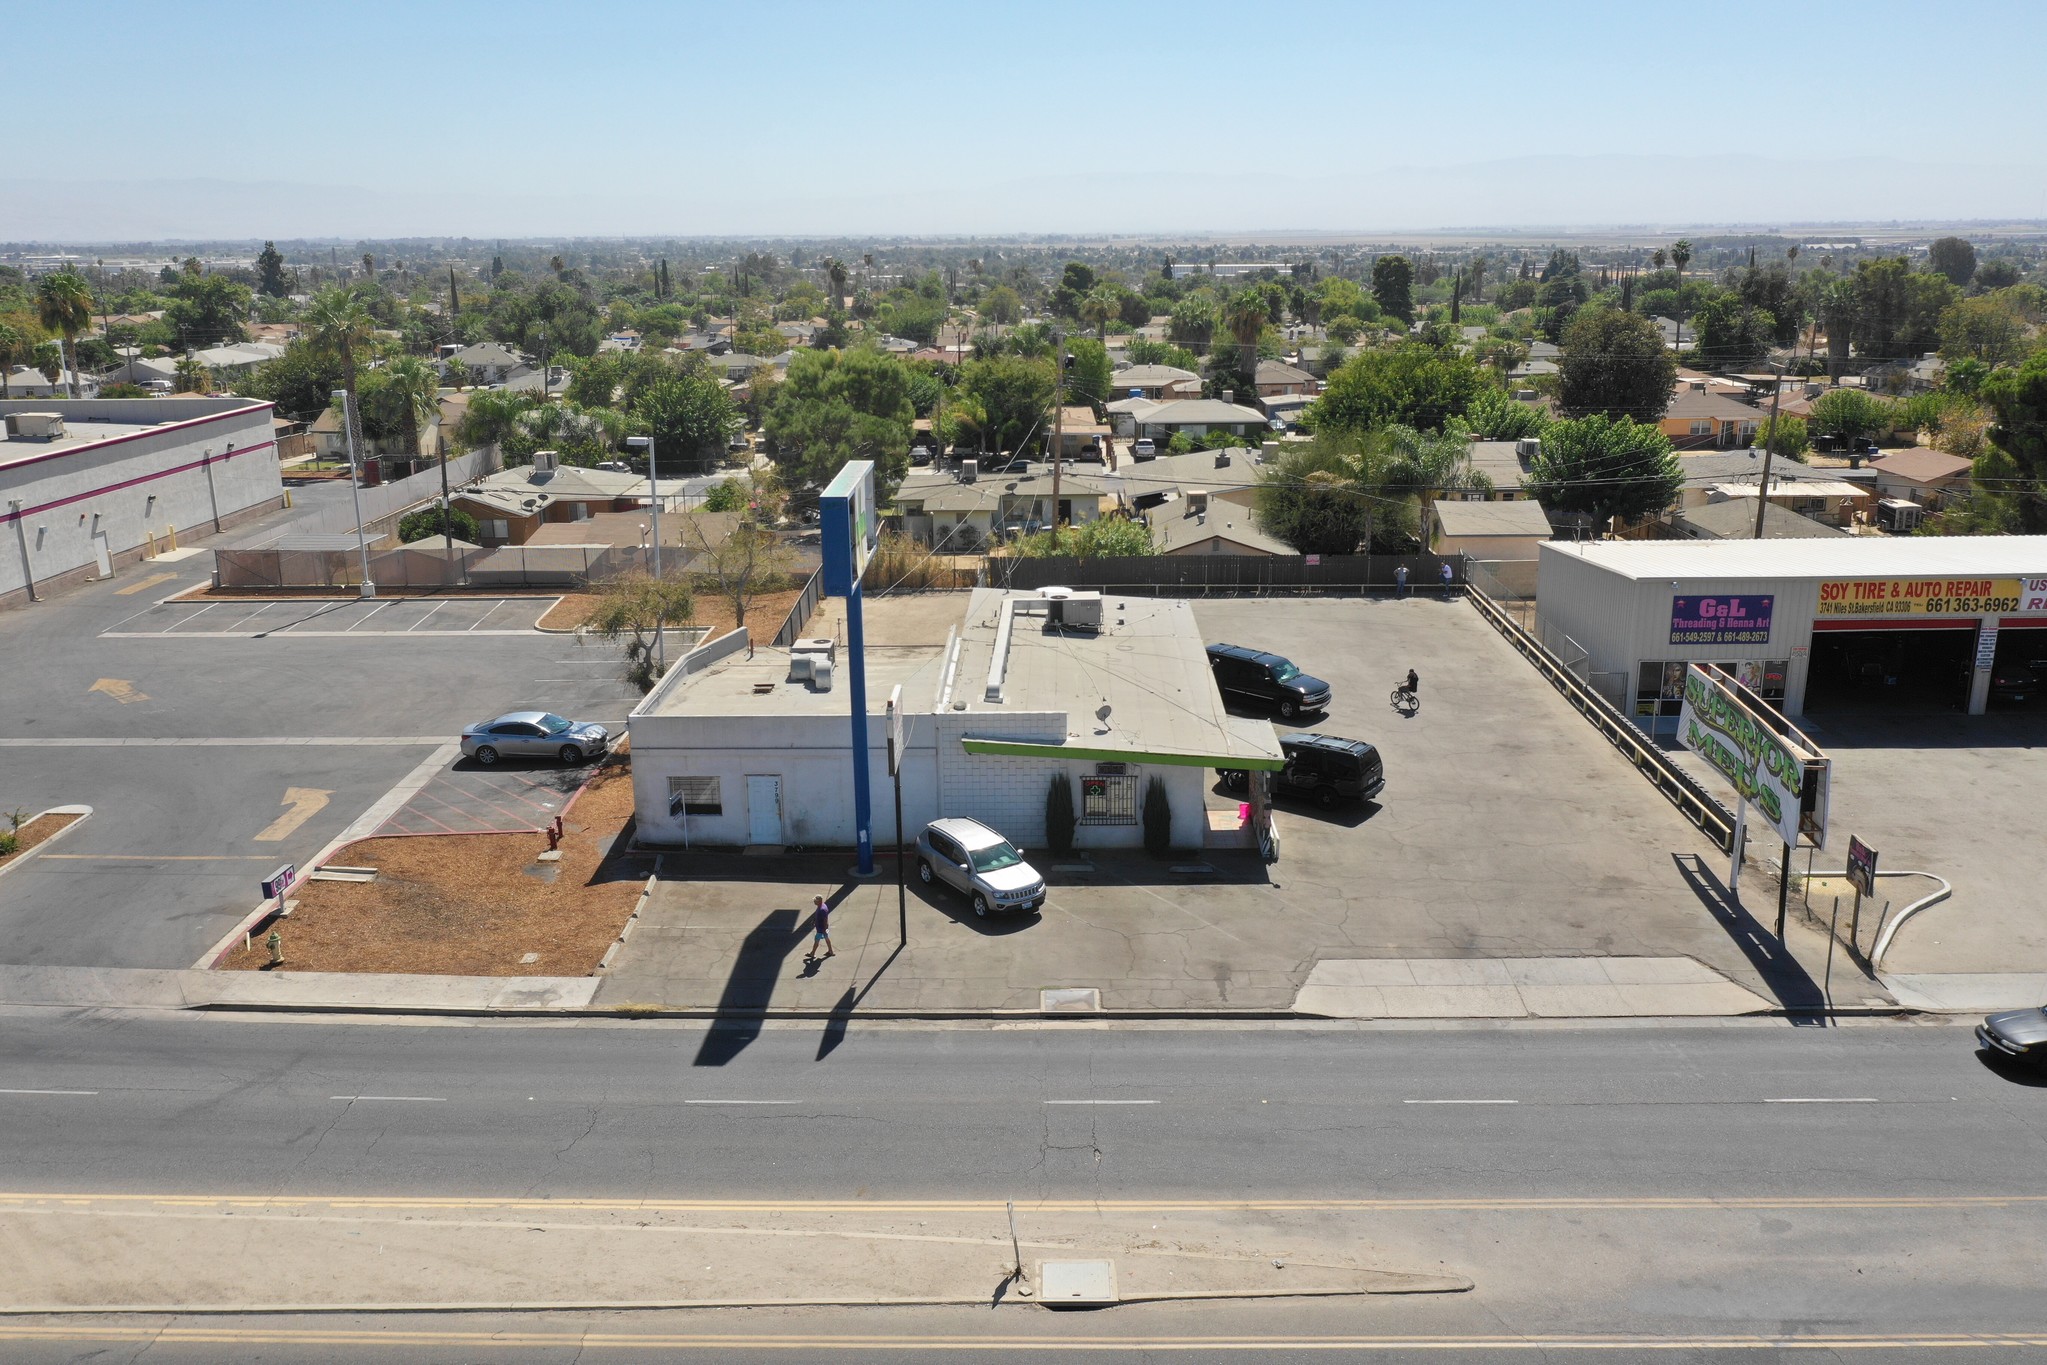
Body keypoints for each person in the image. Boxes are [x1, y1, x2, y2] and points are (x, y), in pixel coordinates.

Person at [809, 895, 834, 960]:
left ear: (819, 901)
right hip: (823, 928)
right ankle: (830, 951)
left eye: (815, 900)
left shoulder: (822, 909)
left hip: (821, 929)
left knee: (816, 940)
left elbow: (825, 920)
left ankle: (812, 953)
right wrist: (814, 920)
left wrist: (824, 929)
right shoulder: (821, 906)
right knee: (826, 938)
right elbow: (818, 914)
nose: (814, 901)